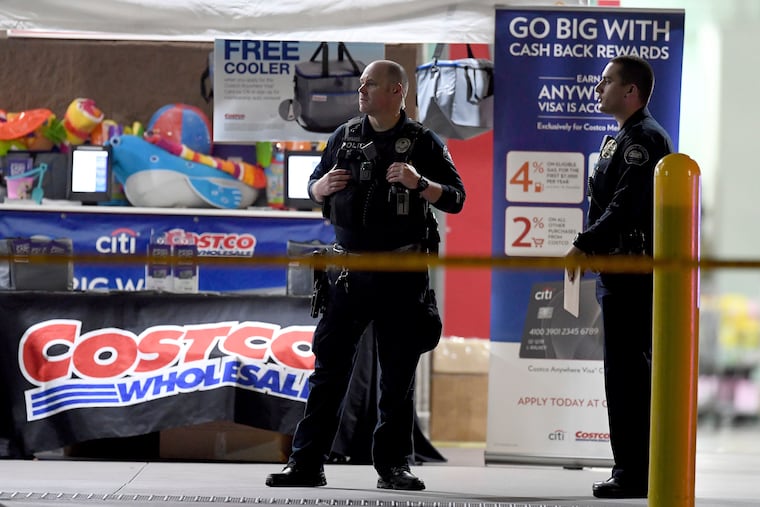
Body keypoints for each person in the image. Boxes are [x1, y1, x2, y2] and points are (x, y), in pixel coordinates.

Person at [266, 59, 466, 490]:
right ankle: (306, 463)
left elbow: (456, 198)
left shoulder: (423, 142)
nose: (361, 90)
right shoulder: (344, 136)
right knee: (328, 371)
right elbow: (313, 185)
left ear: (397, 92)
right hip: (347, 273)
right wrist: (322, 188)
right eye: (360, 84)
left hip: (400, 273)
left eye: (370, 84)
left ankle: (393, 467)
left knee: (396, 377)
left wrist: (419, 184)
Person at [565, 55, 673, 499]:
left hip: (633, 273)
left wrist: (584, 243)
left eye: (606, 81)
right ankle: (630, 467)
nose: (598, 88)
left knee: (628, 376)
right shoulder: (623, 138)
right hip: (618, 270)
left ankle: (634, 472)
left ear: (631, 91)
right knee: (622, 374)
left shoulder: (643, 140)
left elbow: (626, 204)